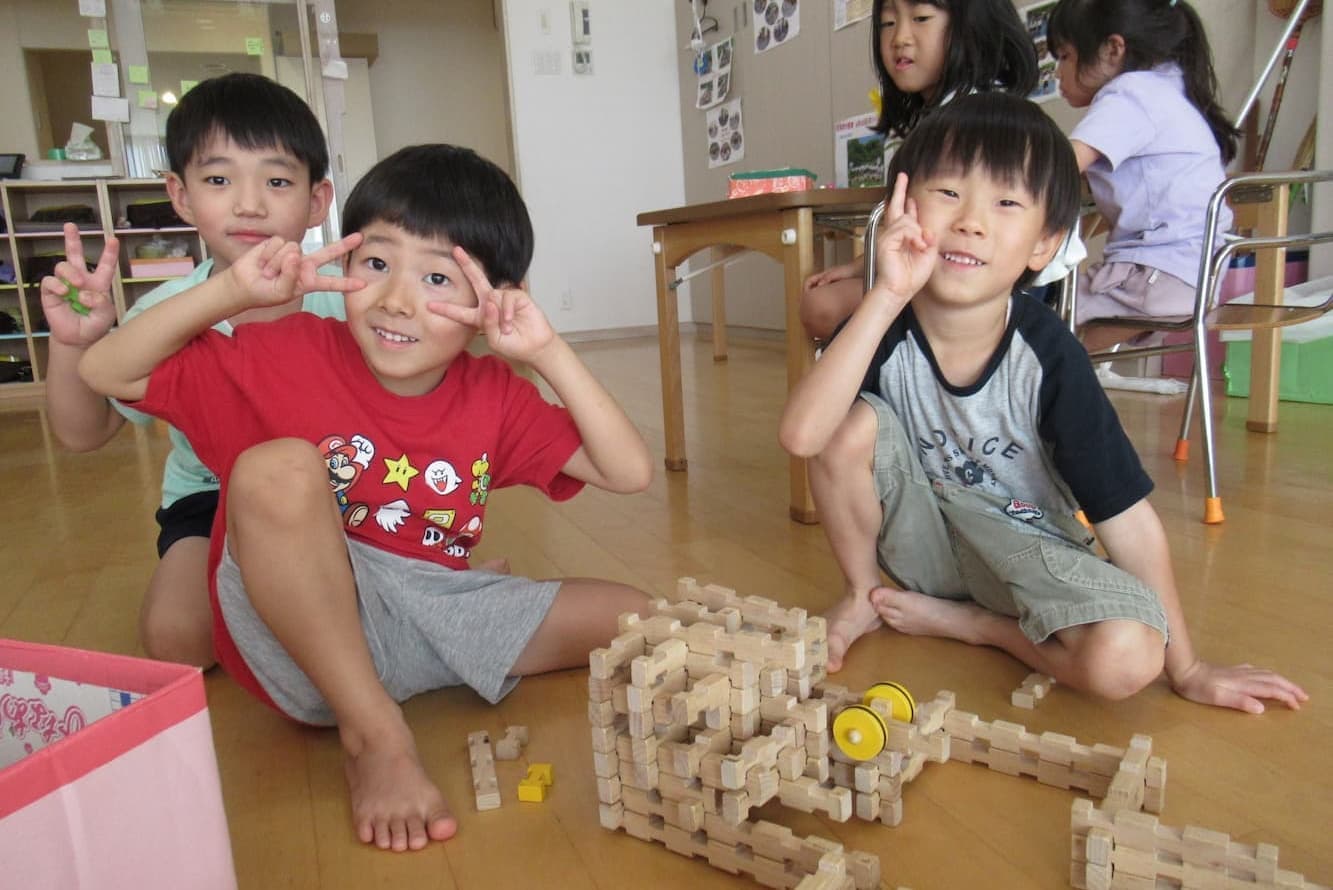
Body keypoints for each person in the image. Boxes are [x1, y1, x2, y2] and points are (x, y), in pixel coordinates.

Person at [79, 143, 654, 851]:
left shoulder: (496, 395)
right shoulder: (288, 350)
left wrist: (546, 351)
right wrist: (230, 295)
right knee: (277, 468)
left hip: (430, 612)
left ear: (489, 299)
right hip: (301, 639)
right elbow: (106, 370)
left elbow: (627, 471)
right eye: (376, 263)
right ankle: (374, 733)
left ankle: (409, 671)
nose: (395, 301)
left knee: (636, 616)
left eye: (437, 278)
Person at [779, 94, 1306, 715]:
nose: (971, 221)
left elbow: (1127, 518)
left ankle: (982, 627)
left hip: (1026, 549)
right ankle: (863, 596)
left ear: (1044, 244)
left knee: (1128, 656)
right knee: (847, 424)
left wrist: (1187, 668)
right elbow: (804, 437)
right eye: (947, 191)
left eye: (1006, 203)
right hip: (922, 543)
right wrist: (887, 292)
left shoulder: (1049, 354)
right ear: (901, 207)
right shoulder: (883, 324)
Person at [40, 72, 342, 668]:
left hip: (341, 490)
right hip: (210, 498)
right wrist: (75, 342)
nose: (249, 203)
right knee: (177, 639)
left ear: (316, 201)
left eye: (277, 180)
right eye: (219, 179)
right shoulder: (162, 315)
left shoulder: (346, 298)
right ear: (180, 194)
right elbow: (84, 432)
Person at [800, 0, 1045, 341]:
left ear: (972, 24)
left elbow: (944, 229)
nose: (900, 37)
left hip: (991, 287)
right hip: (959, 271)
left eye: (921, 18)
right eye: (887, 23)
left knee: (820, 306)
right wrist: (859, 266)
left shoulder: (975, 118)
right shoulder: (946, 113)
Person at [1048, 0, 1238, 352]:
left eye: (1064, 56)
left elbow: (1057, 167)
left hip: (1157, 275)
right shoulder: (1169, 86)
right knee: (1060, 345)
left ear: (1113, 50)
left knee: (1039, 320)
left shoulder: (1130, 95)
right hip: (1196, 276)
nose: (1058, 73)